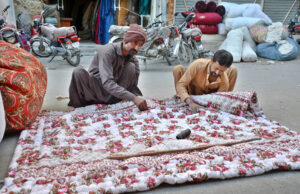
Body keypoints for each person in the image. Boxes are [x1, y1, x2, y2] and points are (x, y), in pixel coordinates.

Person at [68, 24, 148, 111]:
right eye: (135, 43)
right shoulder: (108, 51)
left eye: (140, 45)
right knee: (78, 71)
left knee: (131, 67)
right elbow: (107, 82)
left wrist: (139, 98)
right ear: (126, 40)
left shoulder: (133, 59)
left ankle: (114, 102)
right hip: (95, 91)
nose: (137, 48)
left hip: (114, 96)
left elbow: (133, 85)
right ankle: (80, 106)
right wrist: (133, 98)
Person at [173, 49, 237, 112]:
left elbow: (218, 98)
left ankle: (226, 99)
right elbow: (181, 85)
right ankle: (182, 99)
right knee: (177, 69)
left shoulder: (224, 81)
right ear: (212, 60)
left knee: (233, 70)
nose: (217, 73)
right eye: (216, 68)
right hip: (192, 93)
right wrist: (190, 102)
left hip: (211, 97)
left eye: (221, 71)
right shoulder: (198, 65)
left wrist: (214, 104)